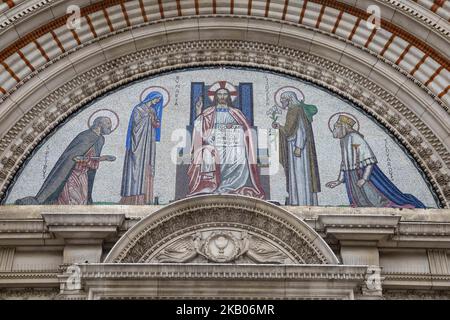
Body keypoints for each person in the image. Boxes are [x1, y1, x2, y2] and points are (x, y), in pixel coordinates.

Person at [325, 114, 426, 208]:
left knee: (376, 198)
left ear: (343, 127)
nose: (334, 130)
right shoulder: (344, 140)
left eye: (336, 127)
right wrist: (338, 181)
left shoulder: (355, 138)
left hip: (363, 173)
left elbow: (369, 160)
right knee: (361, 201)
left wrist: (364, 179)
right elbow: (345, 162)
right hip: (351, 175)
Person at [15, 116, 116, 205]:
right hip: (72, 175)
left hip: (84, 175)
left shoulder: (101, 139)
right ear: (99, 123)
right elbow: (74, 158)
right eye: (108, 123)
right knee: (74, 203)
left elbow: (91, 160)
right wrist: (104, 158)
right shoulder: (85, 136)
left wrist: (100, 159)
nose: (110, 126)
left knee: (82, 204)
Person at [187, 87, 265, 199]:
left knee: (239, 155)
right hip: (214, 143)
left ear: (228, 97)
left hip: (232, 143)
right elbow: (202, 131)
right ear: (215, 97)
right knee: (207, 154)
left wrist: (233, 129)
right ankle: (212, 185)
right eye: (219, 94)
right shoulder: (208, 112)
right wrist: (199, 112)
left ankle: (229, 186)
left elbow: (245, 130)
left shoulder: (236, 113)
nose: (222, 97)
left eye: (224, 94)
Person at [272, 91, 321, 205]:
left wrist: (299, 146)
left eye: (283, 100)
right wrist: (279, 127)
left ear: (289, 99)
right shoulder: (292, 110)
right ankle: (295, 200)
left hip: (299, 150)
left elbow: (302, 129)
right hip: (292, 146)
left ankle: (303, 201)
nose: (282, 102)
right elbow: (289, 130)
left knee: (300, 175)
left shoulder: (297, 110)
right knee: (294, 175)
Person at [120, 92, 162, 205]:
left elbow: (156, 125)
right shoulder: (138, 109)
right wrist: (147, 118)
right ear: (151, 98)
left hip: (148, 143)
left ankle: (145, 199)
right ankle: (132, 199)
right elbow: (135, 126)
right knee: (136, 167)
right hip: (138, 142)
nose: (157, 102)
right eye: (156, 99)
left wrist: (154, 120)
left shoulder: (152, 111)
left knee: (147, 167)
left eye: (158, 100)